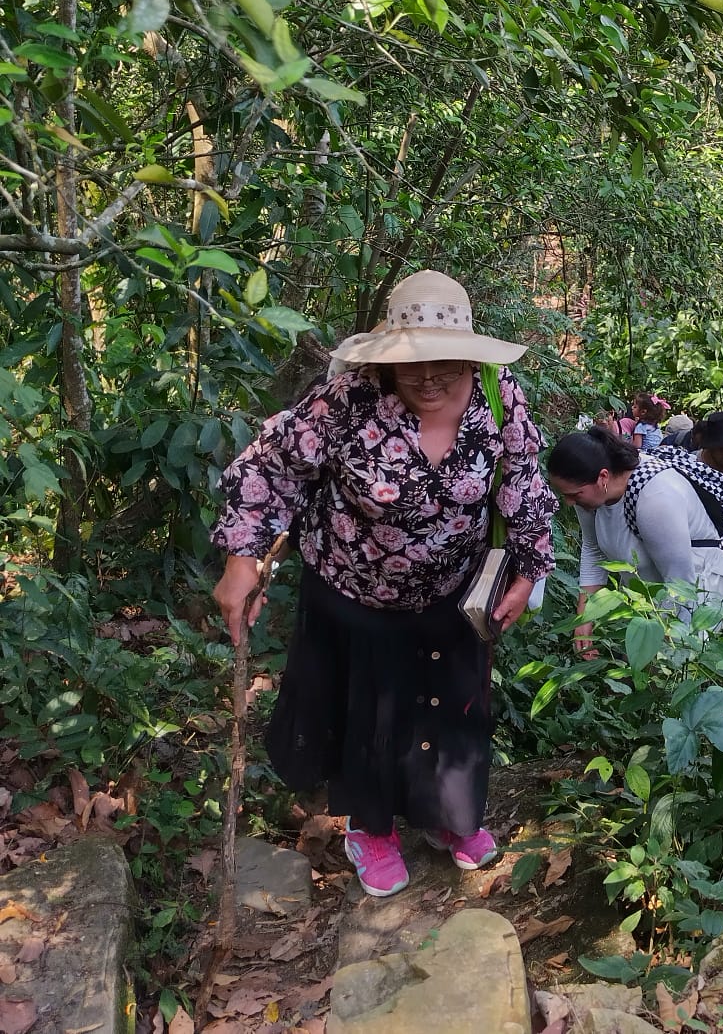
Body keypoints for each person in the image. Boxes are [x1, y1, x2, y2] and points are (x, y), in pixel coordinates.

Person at [211, 271, 558, 899]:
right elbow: (271, 463)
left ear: (470, 357)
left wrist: (529, 569)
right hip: (355, 590)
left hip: (451, 591)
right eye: (411, 367)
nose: (428, 380)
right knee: (370, 711)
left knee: (451, 709)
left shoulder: (497, 391)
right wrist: (244, 557)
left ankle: (447, 820)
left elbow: (523, 476)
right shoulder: (350, 397)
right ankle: (370, 828)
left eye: (444, 367)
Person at [546, 425, 723, 656]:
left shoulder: (655, 498)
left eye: (574, 495)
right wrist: (584, 618)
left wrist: (661, 652)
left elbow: (680, 585)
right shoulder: (588, 495)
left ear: (603, 477)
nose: (568, 503)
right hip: (651, 603)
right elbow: (593, 548)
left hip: (700, 603)